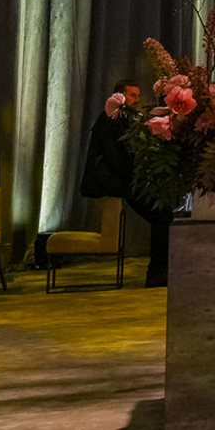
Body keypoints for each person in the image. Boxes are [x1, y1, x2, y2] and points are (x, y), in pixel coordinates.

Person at [80, 79, 173, 288]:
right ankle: (157, 272)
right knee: (162, 215)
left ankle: (159, 270)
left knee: (163, 214)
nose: (136, 100)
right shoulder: (111, 119)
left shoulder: (122, 119)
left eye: (138, 96)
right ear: (119, 96)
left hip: (124, 178)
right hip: (116, 180)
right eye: (132, 95)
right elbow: (116, 158)